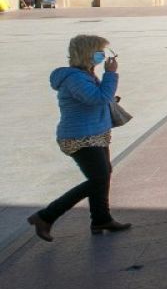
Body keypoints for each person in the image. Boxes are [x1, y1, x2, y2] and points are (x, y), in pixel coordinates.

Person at [27, 35, 131, 240]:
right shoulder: (74, 78)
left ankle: (101, 218)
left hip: (96, 134)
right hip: (79, 137)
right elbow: (98, 98)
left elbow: (99, 98)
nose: (103, 56)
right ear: (87, 53)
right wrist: (111, 74)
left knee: (103, 175)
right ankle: (45, 216)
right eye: (99, 52)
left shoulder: (87, 75)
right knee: (98, 179)